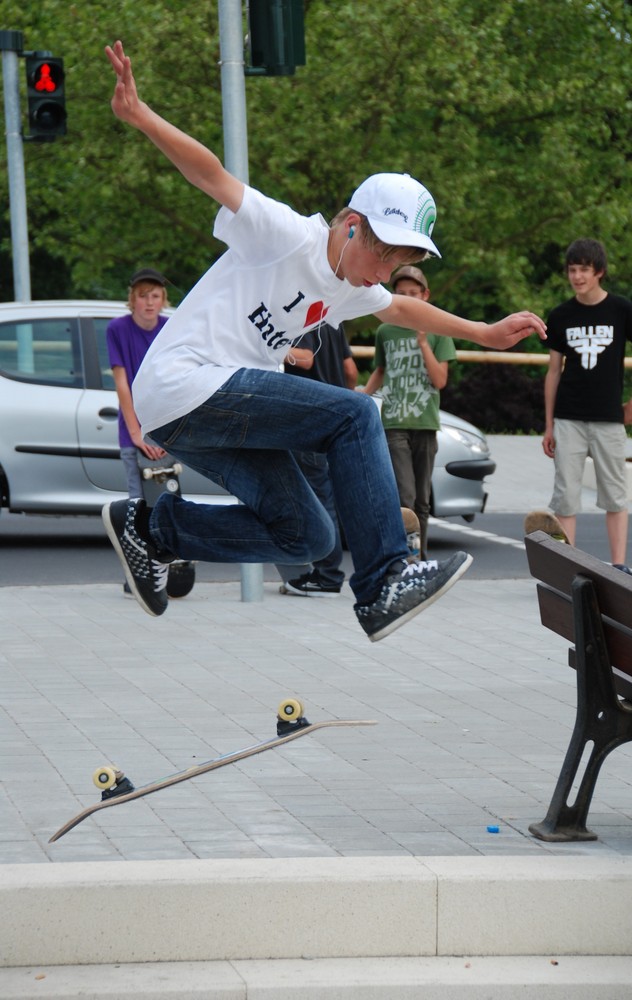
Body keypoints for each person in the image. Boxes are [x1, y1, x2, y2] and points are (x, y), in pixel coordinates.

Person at [101, 40, 546, 643]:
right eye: (382, 254)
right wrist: (141, 114)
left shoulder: (352, 285)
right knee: (355, 413)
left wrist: (482, 332)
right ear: (352, 226)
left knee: (309, 536)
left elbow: (403, 306)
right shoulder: (287, 235)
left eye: (398, 262)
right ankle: (385, 579)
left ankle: (152, 531)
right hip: (187, 382)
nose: (382, 273)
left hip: (192, 421)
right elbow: (212, 175)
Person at [542, 238, 632, 571]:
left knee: (615, 494)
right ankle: (569, 564)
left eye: (585, 270)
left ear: (600, 272)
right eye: (573, 270)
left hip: (609, 418)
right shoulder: (561, 314)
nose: (577, 276)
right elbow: (553, 372)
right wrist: (548, 424)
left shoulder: (622, 309)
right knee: (565, 496)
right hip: (568, 417)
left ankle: (619, 565)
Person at [363, 265, 455, 559]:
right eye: (400, 293)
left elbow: (440, 380)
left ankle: (421, 557)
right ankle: (406, 557)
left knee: (423, 500)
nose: (407, 298)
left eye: (413, 294)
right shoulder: (385, 330)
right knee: (405, 495)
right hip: (394, 421)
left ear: (425, 296)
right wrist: (363, 397)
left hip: (425, 422)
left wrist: (424, 343)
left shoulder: (439, 330)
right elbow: (380, 370)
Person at [277, 323, 357, 597]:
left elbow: (305, 357)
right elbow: (350, 371)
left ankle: (327, 576)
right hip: (336, 421)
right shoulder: (334, 318)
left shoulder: (304, 317)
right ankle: (329, 572)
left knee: (319, 502)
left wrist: (272, 348)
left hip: (310, 420)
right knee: (332, 499)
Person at [106, 268, 171, 500]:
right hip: (133, 429)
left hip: (164, 429)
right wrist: (136, 434)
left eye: (154, 296)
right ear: (132, 299)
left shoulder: (170, 328)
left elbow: (173, 382)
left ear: (163, 299)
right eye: (143, 296)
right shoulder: (117, 329)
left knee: (168, 497)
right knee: (139, 499)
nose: (149, 303)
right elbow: (122, 384)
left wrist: (165, 434)